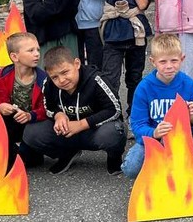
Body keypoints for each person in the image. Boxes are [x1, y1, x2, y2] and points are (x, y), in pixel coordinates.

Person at [122, 33, 193, 179]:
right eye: (163, 62)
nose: (169, 66)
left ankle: (181, 168)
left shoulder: (189, 85)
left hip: (186, 137)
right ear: (153, 61)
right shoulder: (144, 87)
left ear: (182, 59)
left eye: (174, 60)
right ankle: (165, 167)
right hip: (154, 139)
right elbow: (137, 125)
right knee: (131, 168)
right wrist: (154, 133)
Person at [23, 46, 127, 175]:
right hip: (68, 131)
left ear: (76, 63)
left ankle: (114, 157)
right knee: (31, 132)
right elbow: (48, 107)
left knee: (114, 131)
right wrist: (58, 115)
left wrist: (81, 124)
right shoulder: (48, 83)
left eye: (65, 72)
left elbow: (114, 109)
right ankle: (66, 153)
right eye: (55, 77)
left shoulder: (96, 80)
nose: (61, 80)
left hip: (95, 130)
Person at [100, 0, 153, 113]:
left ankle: (134, 113)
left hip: (136, 30)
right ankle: (112, 113)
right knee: (110, 77)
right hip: (114, 31)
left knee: (135, 76)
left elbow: (142, 4)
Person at [0, 32, 49, 168]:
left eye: (37, 50)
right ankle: (5, 152)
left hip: (34, 122)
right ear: (14, 57)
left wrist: (30, 115)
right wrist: (1, 106)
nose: (37, 54)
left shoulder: (44, 79)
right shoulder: (3, 74)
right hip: (13, 119)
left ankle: (28, 151)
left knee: (31, 161)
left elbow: (47, 108)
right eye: (31, 50)